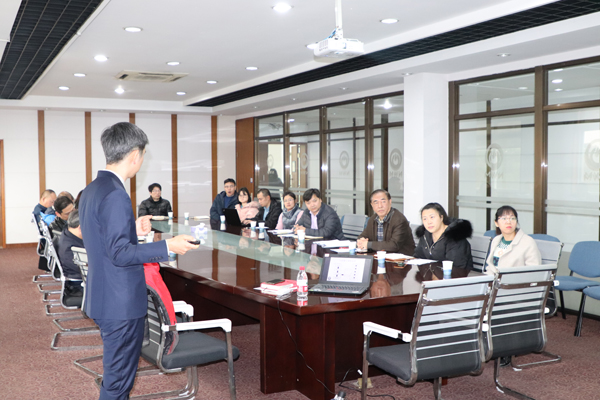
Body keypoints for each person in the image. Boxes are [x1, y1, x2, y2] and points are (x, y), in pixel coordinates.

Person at [78, 122, 197, 400]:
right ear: (134, 155)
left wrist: (132, 229)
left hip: (103, 295)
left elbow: (101, 237)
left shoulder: (93, 189)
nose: (141, 161)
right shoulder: (116, 194)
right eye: (142, 155)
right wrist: (167, 246)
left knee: (116, 377)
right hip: (119, 303)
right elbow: (120, 253)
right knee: (118, 382)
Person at [414, 202, 473, 271]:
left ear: (441, 217)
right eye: (425, 219)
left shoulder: (454, 236)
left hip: (457, 275)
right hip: (433, 274)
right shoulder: (425, 235)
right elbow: (418, 256)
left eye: (432, 217)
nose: (429, 222)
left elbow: (457, 266)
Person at [485, 205, 541, 274]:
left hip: (516, 280)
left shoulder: (528, 242)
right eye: (504, 218)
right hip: (493, 279)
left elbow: (534, 272)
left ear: (516, 222)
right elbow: (491, 267)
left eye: (512, 218)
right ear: (496, 223)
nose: (508, 222)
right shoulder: (496, 240)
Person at [357, 189, 415, 255]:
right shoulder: (373, 219)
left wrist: (368, 244)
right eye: (376, 202)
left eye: (383, 201)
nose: (380, 206)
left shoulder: (399, 220)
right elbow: (362, 236)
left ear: (390, 202)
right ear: (372, 205)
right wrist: (361, 242)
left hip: (402, 258)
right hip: (380, 256)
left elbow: (394, 245)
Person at [56, 209, 85, 295]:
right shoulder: (71, 248)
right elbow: (87, 269)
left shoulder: (67, 234)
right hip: (79, 285)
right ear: (80, 228)